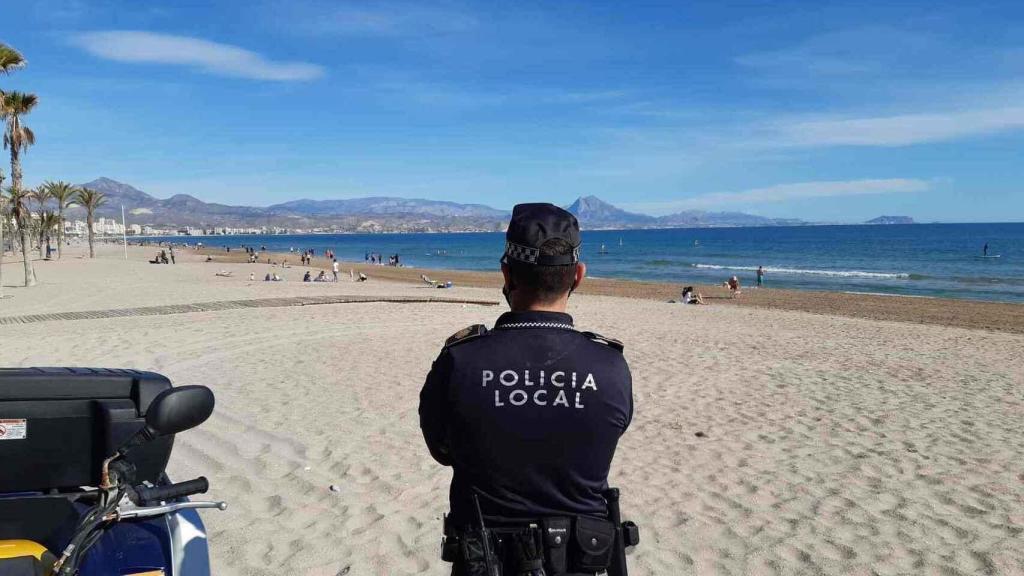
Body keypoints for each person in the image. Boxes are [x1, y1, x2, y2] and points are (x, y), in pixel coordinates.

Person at [419, 203, 634, 576]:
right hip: (581, 558)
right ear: (578, 276)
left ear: (506, 272)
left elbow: (441, 450)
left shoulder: (460, 361)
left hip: (484, 560)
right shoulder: (610, 366)